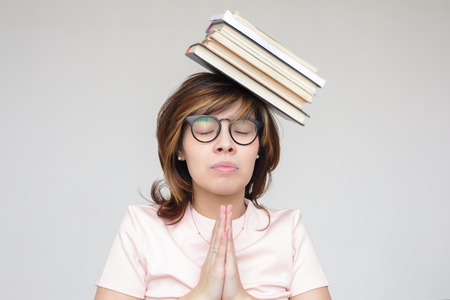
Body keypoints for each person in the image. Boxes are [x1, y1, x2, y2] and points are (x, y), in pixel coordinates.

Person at [94, 72, 331, 300]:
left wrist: (239, 296)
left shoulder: (288, 230)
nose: (225, 144)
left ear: (260, 147)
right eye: (205, 128)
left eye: (242, 129)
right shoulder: (142, 228)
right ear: (179, 148)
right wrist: (202, 294)